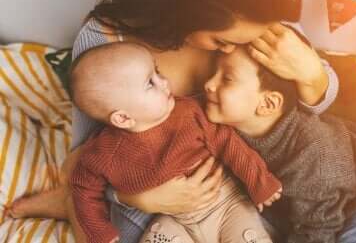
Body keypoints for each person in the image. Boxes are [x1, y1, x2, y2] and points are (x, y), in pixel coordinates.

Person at [7, 0, 339, 242]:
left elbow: (311, 114)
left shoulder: (258, 20)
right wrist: (134, 196)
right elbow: (87, 156)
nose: (230, 50)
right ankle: (67, 204)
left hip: (240, 188)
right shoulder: (108, 43)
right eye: (220, 40)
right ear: (190, 8)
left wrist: (312, 75)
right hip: (153, 198)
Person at [141, 46, 356, 243]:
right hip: (299, 206)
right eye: (214, 73)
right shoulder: (218, 118)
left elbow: (317, 230)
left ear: (268, 103)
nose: (209, 85)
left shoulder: (313, 153)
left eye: (226, 79)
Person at [69, 42, 282, 243]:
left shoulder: (189, 111)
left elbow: (227, 141)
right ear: (123, 118)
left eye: (157, 71)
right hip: (175, 219)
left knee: (246, 235)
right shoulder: (104, 152)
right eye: (150, 83)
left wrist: (259, 181)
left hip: (226, 204)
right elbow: (82, 187)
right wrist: (99, 231)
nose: (164, 81)